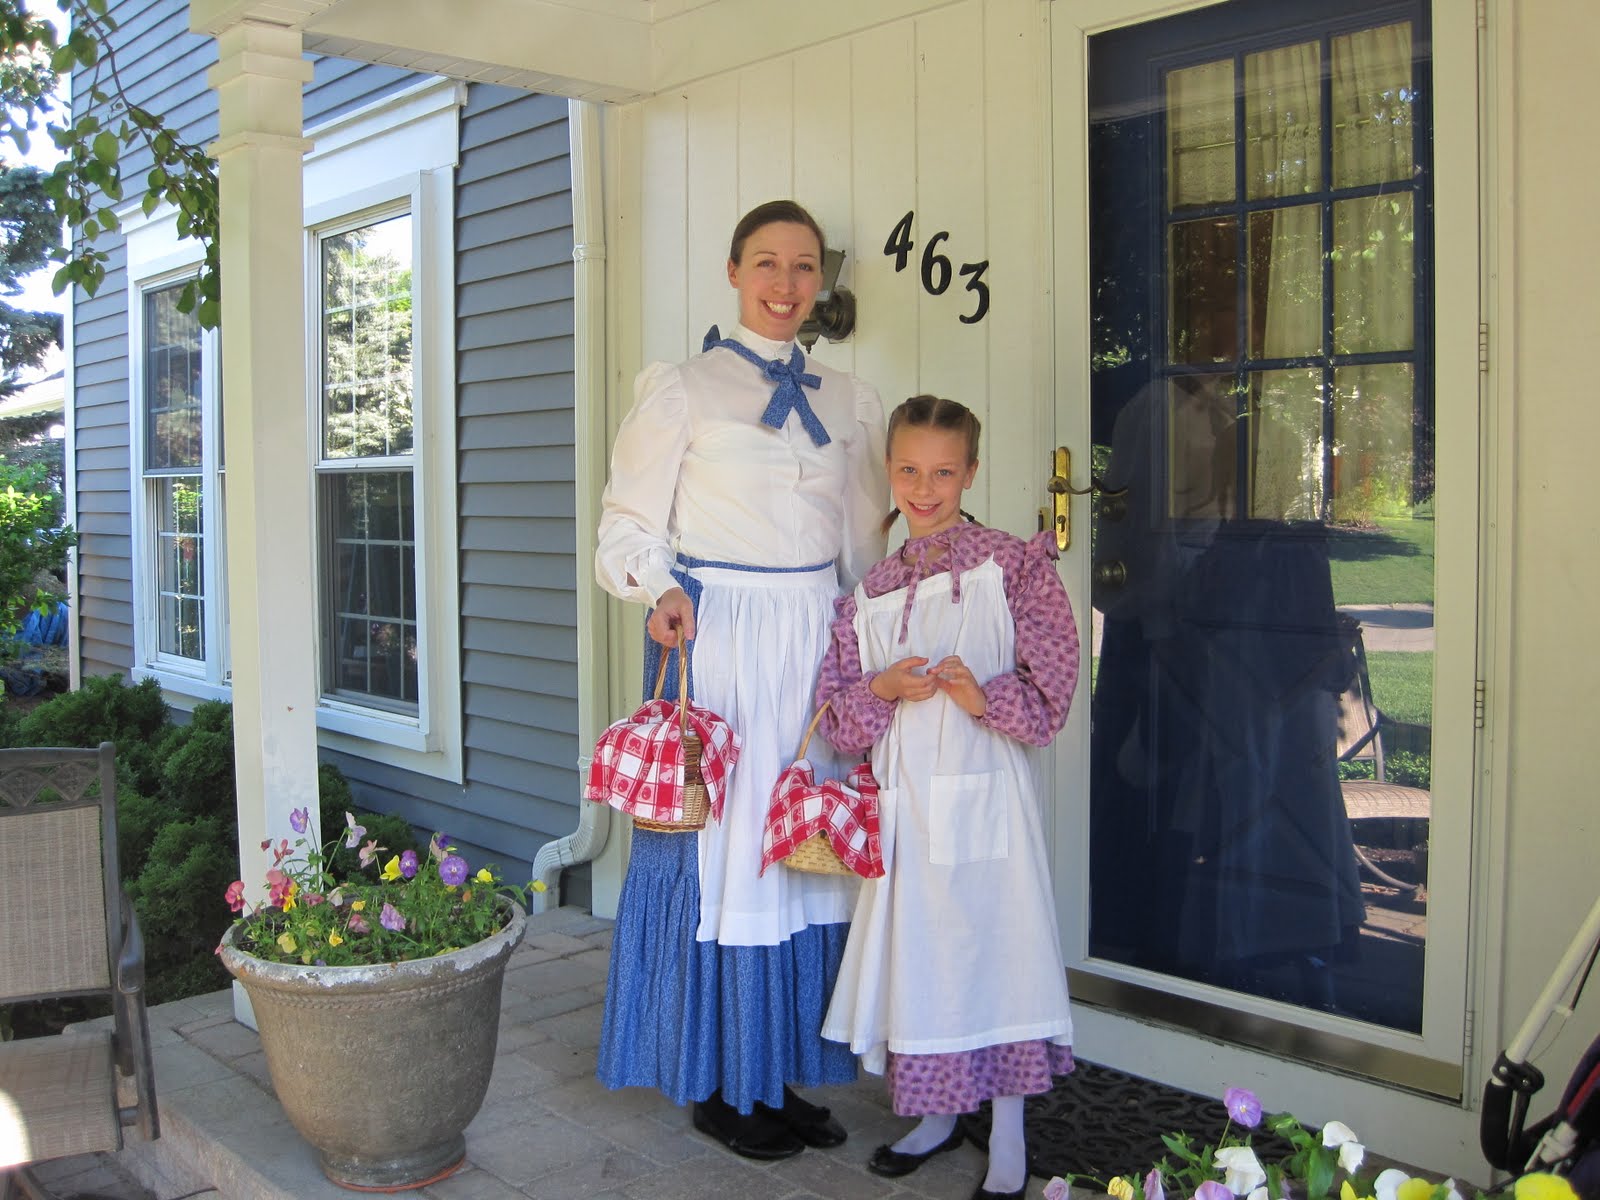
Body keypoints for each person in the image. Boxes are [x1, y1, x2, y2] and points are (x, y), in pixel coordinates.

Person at [593, 200, 888, 1160]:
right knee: (730, 864)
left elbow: (861, 543)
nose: (786, 284)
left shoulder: (849, 399)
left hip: (812, 640)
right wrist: (658, 587)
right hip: (717, 639)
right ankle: (722, 1081)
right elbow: (625, 527)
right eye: (767, 263)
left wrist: (873, 640)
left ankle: (779, 1067)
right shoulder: (683, 389)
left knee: (805, 849)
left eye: (805, 267)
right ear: (732, 271)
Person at [814, 394, 1078, 1200]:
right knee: (924, 963)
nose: (922, 490)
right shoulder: (871, 595)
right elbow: (839, 720)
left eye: (941, 472)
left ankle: (1007, 1134)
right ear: (888, 470)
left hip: (989, 803)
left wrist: (980, 698)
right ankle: (934, 1116)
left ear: (970, 471)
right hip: (908, 812)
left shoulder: (1012, 568)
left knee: (999, 955)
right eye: (906, 470)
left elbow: (1052, 695)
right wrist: (885, 687)